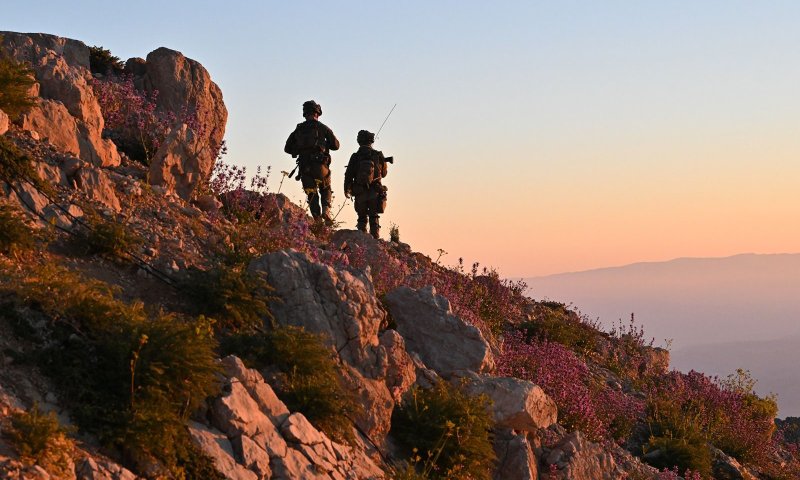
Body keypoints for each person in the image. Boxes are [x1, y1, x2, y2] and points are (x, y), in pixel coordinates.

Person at [284, 100, 340, 223]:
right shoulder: (323, 127)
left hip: (304, 167)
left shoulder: (298, 129)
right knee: (325, 187)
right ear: (317, 113)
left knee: (311, 194)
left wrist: (299, 150)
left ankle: (318, 222)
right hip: (320, 165)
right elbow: (336, 145)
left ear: (305, 113)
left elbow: (287, 148)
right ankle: (326, 210)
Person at [344, 130, 390, 239]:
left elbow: (348, 175)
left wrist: (347, 189)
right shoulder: (378, 155)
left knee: (361, 218)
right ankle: (375, 240)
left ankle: (362, 241)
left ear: (359, 141)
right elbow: (384, 174)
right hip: (375, 191)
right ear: (371, 141)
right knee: (374, 217)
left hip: (359, 192)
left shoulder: (355, 156)